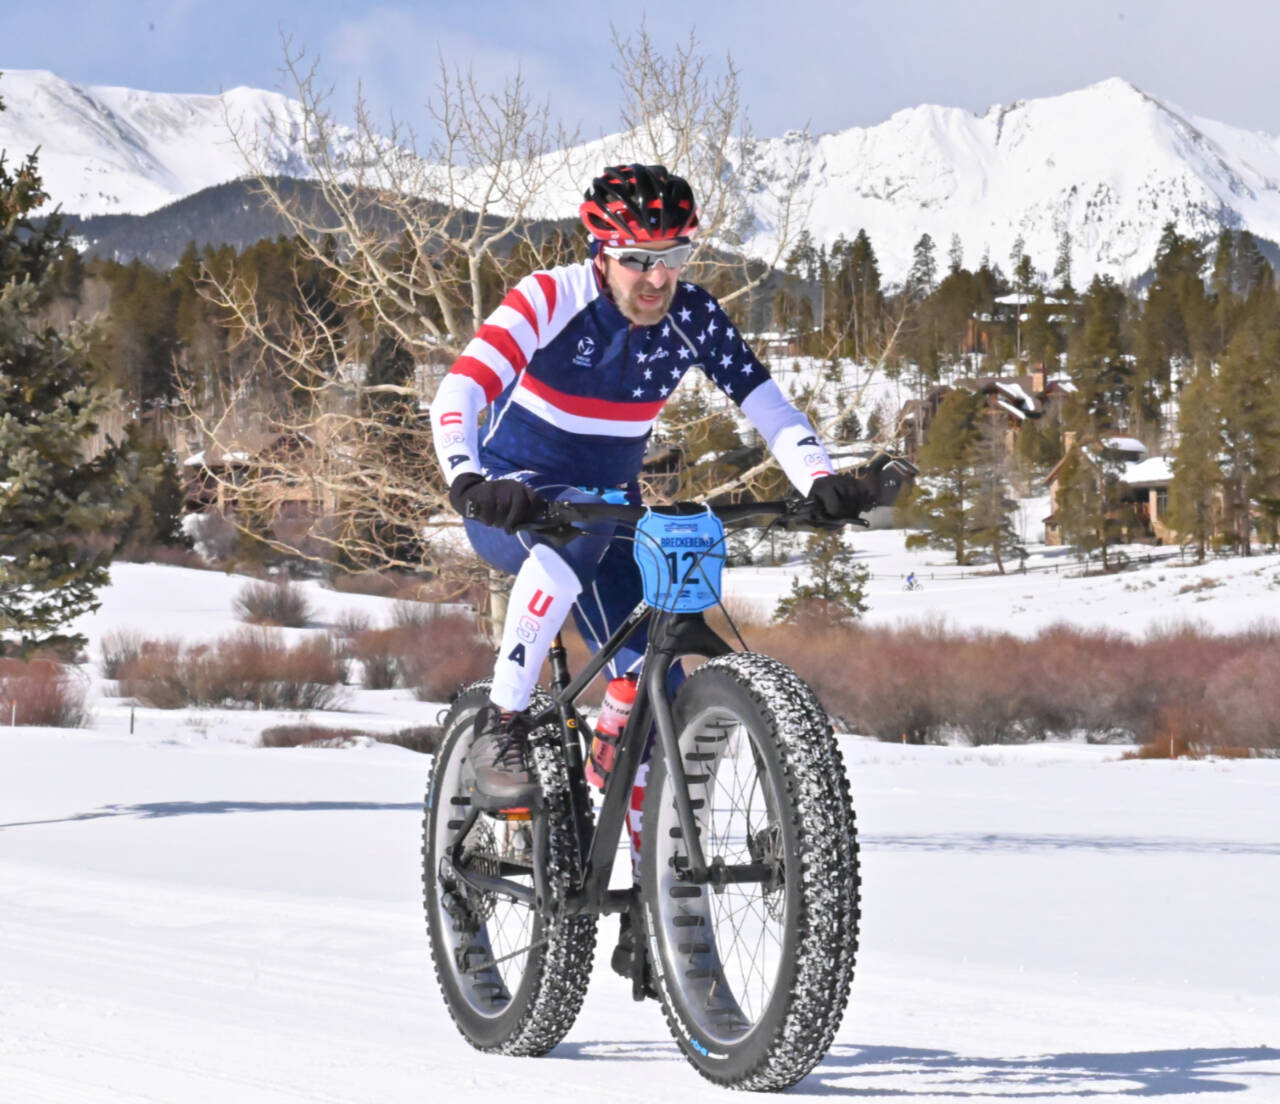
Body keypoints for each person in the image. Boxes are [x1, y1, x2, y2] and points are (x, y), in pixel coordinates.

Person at [429, 162, 874, 889]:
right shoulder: (552, 297)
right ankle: (502, 727)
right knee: (571, 542)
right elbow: (462, 387)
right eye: (637, 260)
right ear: (599, 252)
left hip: (608, 505)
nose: (656, 280)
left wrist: (818, 481)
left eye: (672, 258)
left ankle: (659, 892)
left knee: (657, 677)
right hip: (517, 501)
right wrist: (469, 478)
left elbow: (769, 407)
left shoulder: (692, 315)